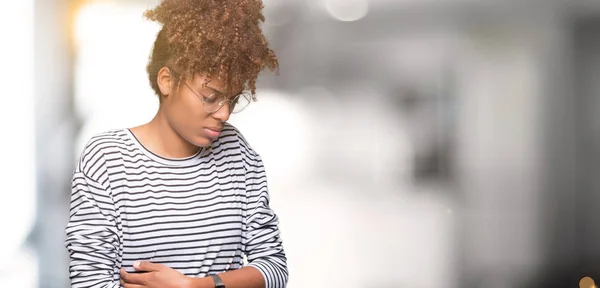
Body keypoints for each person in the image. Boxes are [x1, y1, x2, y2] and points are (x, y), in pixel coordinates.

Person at [64, 0, 288, 287]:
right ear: (167, 81)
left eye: (233, 99)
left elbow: (273, 269)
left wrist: (195, 286)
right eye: (211, 97)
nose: (224, 113)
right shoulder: (107, 160)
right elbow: (89, 281)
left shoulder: (238, 154)